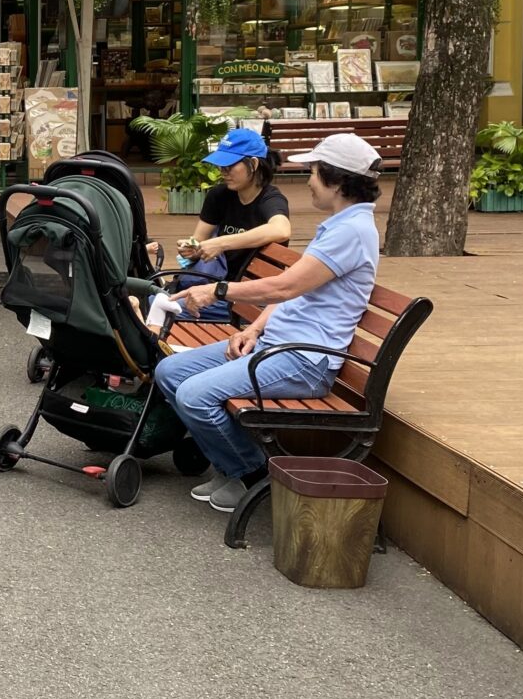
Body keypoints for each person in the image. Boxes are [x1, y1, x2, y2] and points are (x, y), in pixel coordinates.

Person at [147, 133, 383, 513]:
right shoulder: (340, 225)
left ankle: (250, 473)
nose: (308, 181)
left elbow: (285, 286)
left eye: (314, 172)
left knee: (194, 395)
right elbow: (295, 291)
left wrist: (219, 291)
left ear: (338, 181)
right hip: (276, 343)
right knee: (170, 371)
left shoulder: (351, 231)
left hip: (304, 360)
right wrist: (254, 328)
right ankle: (231, 467)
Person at [147, 128, 290, 302]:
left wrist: (220, 243)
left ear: (253, 164)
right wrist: (191, 248)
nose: (223, 171)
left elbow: (281, 230)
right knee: (153, 300)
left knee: (155, 304)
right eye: (221, 165)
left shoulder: (271, 199)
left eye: (230, 165)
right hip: (215, 285)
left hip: (247, 295)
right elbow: (198, 240)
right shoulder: (219, 195)